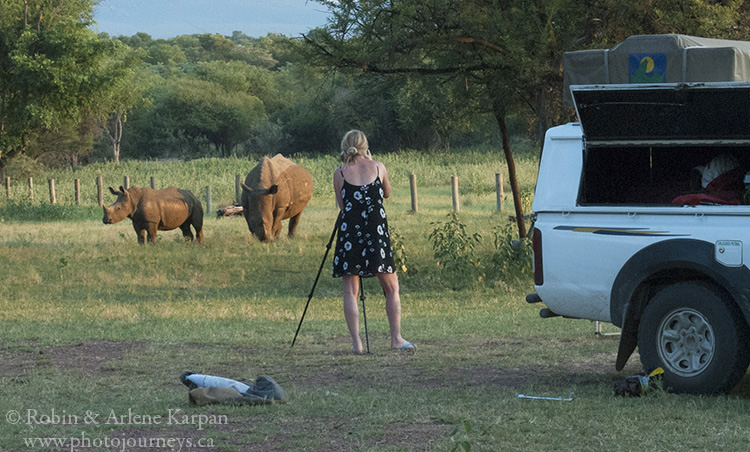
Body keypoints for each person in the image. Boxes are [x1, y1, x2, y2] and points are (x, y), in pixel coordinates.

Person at [332, 129, 416, 354]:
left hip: (350, 234)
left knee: (350, 290)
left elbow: (343, 207)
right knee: (391, 287)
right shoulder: (379, 167)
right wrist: (369, 162)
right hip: (376, 233)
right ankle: (396, 338)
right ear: (365, 147)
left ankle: (357, 343)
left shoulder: (339, 173)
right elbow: (386, 193)